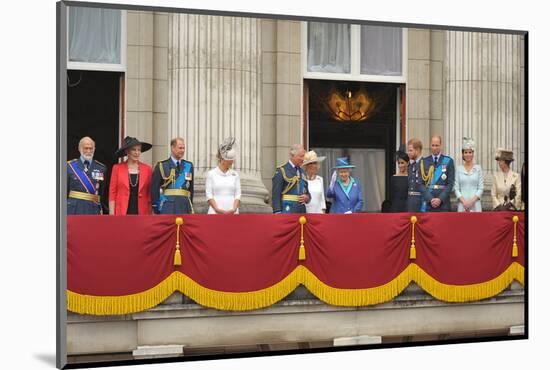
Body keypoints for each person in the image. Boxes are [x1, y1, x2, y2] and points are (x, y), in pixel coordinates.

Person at [109, 136, 153, 215]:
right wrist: (111, 212)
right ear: (127, 151)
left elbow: (149, 193)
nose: (137, 153)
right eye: (134, 150)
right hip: (122, 211)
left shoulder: (147, 169)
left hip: (142, 211)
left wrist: (150, 212)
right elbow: (112, 193)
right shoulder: (117, 168)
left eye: (139, 150)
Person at [151, 137, 195, 214]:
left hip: (184, 206)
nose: (182, 150)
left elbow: (190, 189)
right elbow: (154, 188)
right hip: (167, 206)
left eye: (183, 148)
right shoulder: (162, 165)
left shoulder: (189, 165)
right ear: (172, 148)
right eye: (180, 148)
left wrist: (190, 204)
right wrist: (156, 206)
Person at [67, 136, 107, 215]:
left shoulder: (101, 168)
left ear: (94, 149)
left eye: (91, 148)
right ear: (79, 149)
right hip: (74, 209)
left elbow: (103, 192)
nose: (88, 151)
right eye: (86, 148)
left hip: (93, 209)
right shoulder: (69, 167)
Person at [205, 137, 241, 214]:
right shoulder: (211, 174)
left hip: (232, 212)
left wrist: (234, 209)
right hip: (215, 212)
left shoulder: (235, 175)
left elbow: (238, 194)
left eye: (232, 160)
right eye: (229, 160)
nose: (232, 162)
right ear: (222, 159)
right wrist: (217, 209)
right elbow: (209, 194)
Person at [419, 135, 455, 212]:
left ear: (440, 145)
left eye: (437, 145)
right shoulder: (424, 162)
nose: (434, 148)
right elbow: (420, 184)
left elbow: (450, 183)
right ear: (430, 145)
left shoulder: (448, 161)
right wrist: (430, 199)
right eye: (433, 145)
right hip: (428, 203)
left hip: (443, 203)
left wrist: (440, 199)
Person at [272, 144, 311, 214]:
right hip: (287, 210)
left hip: (301, 212)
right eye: (301, 156)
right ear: (292, 156)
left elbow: (308, 193)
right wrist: (277, 212)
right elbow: (276, 194)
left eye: (303, 156)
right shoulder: (282, 171)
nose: (303, 159)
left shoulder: (302, 172)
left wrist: (307, 198)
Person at [454, 137, 484, 212]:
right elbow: (456, 188)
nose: (468, 154)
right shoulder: (458, 169)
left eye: (470, 152)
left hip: (476, 204)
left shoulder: (478, 168)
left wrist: (471, 202)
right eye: (466, 152)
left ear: (473, 154)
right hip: (462, 205)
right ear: (463, 154)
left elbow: (481, 188)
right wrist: (464, 202)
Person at [406, 138, 425, 212]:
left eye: (410, 150)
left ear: (417, 150)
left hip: (421, 203)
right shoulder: (411, 166)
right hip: (410, 203)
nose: (408, 153)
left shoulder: (425, 164)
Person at [390, 145, 409, 212]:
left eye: (402, 163)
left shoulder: (410, 177)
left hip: (408, 208)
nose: (400, 165)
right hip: (395, 208)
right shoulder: (393, 178)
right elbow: (392, 196)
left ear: (407, 163)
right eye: (399, 163)